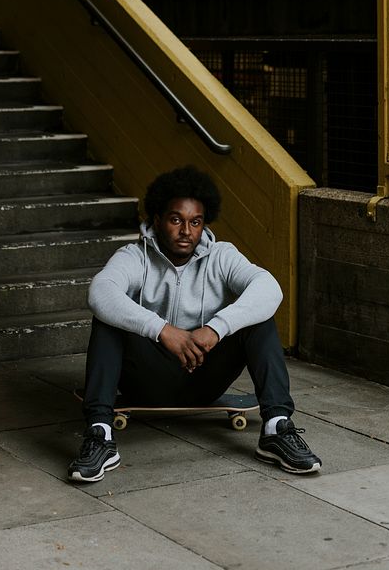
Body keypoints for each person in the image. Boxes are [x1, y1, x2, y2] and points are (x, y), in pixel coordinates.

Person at [68, 165, 322, 483]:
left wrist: (217, 327)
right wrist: (163, 331)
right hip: (147, 379)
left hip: (205, 375)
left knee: (258, 318)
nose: (186, 231)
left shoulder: (221, 256)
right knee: (109, 319)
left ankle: (276, 429)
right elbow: (100, 292)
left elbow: (269, 287)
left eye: (195, 222)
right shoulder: (134, 256)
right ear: (158, 219)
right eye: (176, 219)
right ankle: (99, 435)